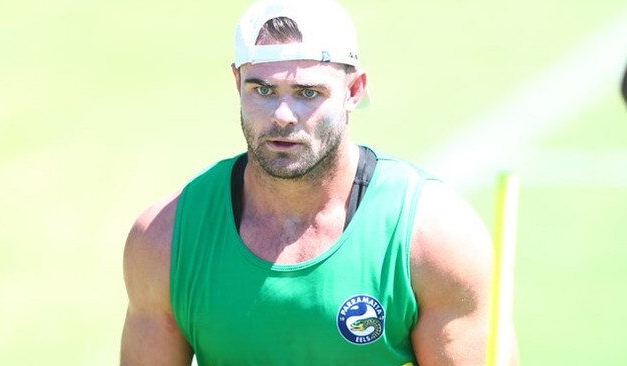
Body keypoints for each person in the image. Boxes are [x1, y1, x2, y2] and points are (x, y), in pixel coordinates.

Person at [120, 0, 518, 364]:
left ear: (354, 90)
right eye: (262, 89)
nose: (282, 116)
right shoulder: (165, 239)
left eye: (308, 92)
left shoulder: (434, 239)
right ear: (236, 83)